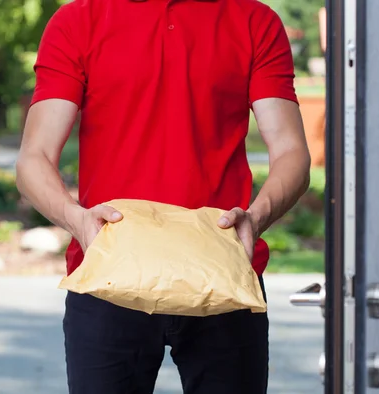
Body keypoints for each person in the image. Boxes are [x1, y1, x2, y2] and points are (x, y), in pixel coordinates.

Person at [16, 0, 311, 392]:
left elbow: (292, 152)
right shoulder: (77, 20)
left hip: (223, 271)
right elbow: (33, 158)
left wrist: (256, 218)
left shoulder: (255, 21)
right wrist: (77, 220)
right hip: (110, 272)